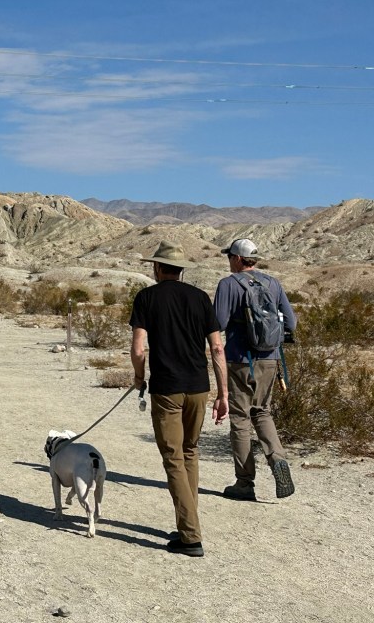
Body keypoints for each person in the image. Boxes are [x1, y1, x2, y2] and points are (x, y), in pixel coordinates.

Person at [129, 241, 228, 557]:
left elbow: (138, 348)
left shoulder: (146, 298)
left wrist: (137, 377)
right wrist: (223, 392)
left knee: (172, 456)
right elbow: (216, 349)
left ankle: (190, 535)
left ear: (157, 268)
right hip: (199, 387)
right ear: (181, 269)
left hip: (167, 389)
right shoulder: (200, 298)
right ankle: (188, 523)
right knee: (189, 451)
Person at [214, 238, 298, 502]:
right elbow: (291, 323)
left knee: (240, 419)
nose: (229, 261)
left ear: (238, 259)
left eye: (230, 257)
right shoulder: (273, 283)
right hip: (271, 358)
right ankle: (278, 461)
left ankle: (244, 482)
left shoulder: (228, 284)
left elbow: (218, 322)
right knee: (262, 412)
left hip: (240, 358)